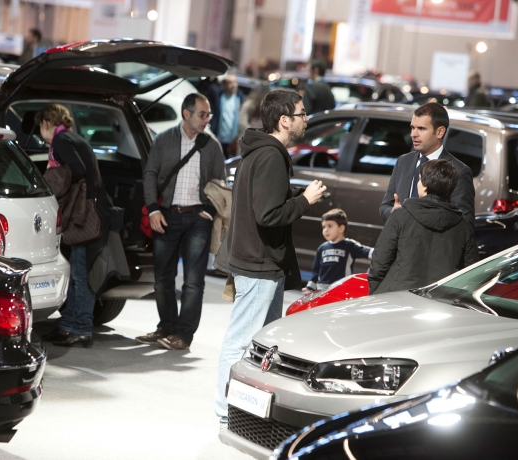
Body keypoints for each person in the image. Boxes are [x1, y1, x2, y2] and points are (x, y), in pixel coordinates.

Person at [214, 89, 326, 428]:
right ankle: (224, 411)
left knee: (256, 344)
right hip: (259, 263)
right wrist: (305, 200)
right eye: (302, 113)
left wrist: (292, 196)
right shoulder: (270, 156)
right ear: (284, 120)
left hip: (259, 262)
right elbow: (268, 215)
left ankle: (241, 408)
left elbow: (262, 203)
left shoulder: (261, 151)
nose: (307, 119)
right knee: (241, 343)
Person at [136, 93, 226, 350]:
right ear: (186, 114)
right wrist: (153, 210)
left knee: (193, 281)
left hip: (199, 219)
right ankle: (166, 327)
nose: (206, 119)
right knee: (162, 278)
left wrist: (209, 211)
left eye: (208, 114)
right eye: (202, 114)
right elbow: (150, 174)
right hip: (167, 215)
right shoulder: (164, 139)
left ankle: (184, 335)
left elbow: (221, 182)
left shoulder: (211, 145)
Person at [36, 104, 103, 347]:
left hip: (83, 213)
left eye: (40, 127)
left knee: (80, 273)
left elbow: (78, 169)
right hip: (84, 211)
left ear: (46, 123)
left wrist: (57, 185)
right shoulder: (72, 137)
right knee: (76, 268)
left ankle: (82, 327)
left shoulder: (61, 141)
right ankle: (68, 325)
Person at [369, 159, 478, 294]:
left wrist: (375, 292)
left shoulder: (401, 216)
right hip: (440, 302)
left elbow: (379, 262)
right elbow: (471, 273)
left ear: (425, 186)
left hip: (397, 298)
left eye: (420, 180)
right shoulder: (463, 226)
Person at [379, 102, 475, 225]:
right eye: (413, 128)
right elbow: (385, 207)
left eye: (421, 129)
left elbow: (465, 223)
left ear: (440, 132)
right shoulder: (403, 162)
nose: (413, 134)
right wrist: (394, 213)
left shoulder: (458, 171)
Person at [304, 209, 373, 292]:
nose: (326, 230)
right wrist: (309, 288)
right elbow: (316, 272)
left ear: (341, 228)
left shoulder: (350, 245)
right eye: (324, 227)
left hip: (341, 289)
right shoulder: (321, 248)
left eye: (330, 226)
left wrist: (384, 251)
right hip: (321, 291)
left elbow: (369, 252)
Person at [209, 74, 245, 157]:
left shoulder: (240, 99)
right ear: (224, 84)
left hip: (234, 141)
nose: (233, 85)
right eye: (230, 83)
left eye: (235, 82)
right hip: (219, 139)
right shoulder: (218, 97)